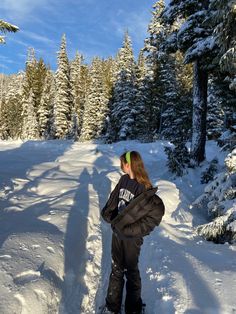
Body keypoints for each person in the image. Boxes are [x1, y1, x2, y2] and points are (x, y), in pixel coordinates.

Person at [101, 151, 165, 314]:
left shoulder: (143, 188)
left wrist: (130, 230)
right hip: (117, 233)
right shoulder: (123, 180)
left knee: (131, 271)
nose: (120, 165)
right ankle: (112, 307)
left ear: (129, 164)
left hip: (131, 238)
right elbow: (114, 199)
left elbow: (151, 217)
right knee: (116, 269)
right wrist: (109, 214)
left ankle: (133, 308)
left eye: (122, 162)